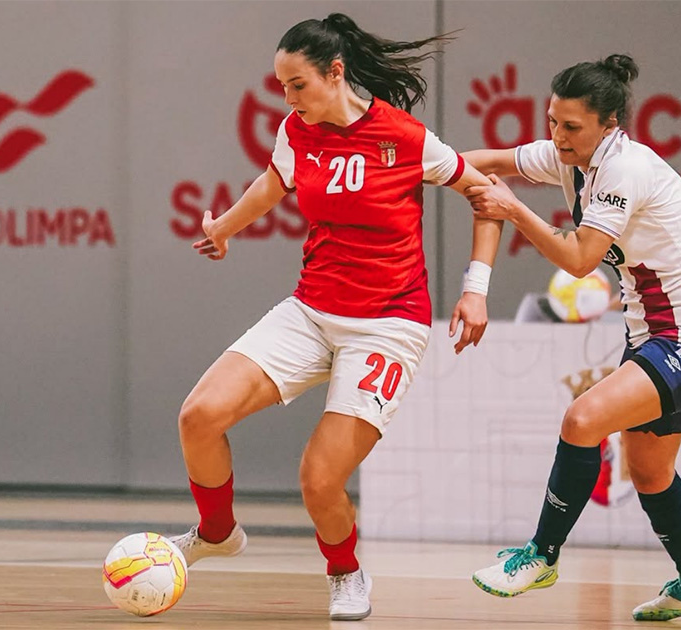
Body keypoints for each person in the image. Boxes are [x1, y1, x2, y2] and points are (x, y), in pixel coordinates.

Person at [170, 13, 503, 622]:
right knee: (199, 416)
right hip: (312, 310)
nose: (287, 99)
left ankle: (347, 573)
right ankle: (216, 533)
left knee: (319, 479)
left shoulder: (404, 137)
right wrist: (224, 229)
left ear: (335, 72)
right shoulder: (297, 131)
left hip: (388, 324)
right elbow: (273, 183)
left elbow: (489, 198)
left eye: (297, 85)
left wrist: (475, 289)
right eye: (281, 87)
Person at [462, 54, 681, 622]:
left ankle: (541, 556)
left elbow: (580, 259)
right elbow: (481, 161)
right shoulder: (571, 155)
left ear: (609, 124)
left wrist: (513, 209)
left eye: (571, 126)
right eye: (551, 122)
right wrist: (409, 169)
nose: (557, 136)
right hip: (654, 336)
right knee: (650, 473)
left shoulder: (624, 168)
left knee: (581, 420)